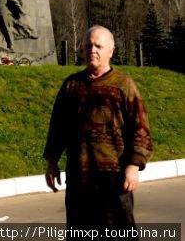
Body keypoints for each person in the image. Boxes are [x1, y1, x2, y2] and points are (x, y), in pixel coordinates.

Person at [43, 25, 153, 238]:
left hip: (114, 181)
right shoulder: (71, 86)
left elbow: (141, 128)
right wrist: (51, 162)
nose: (92, 50)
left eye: (98, 46)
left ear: (110, 50)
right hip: (79, 181)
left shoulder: (124, 85)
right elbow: (58, 127)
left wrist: (133, 166)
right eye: (88, 45)